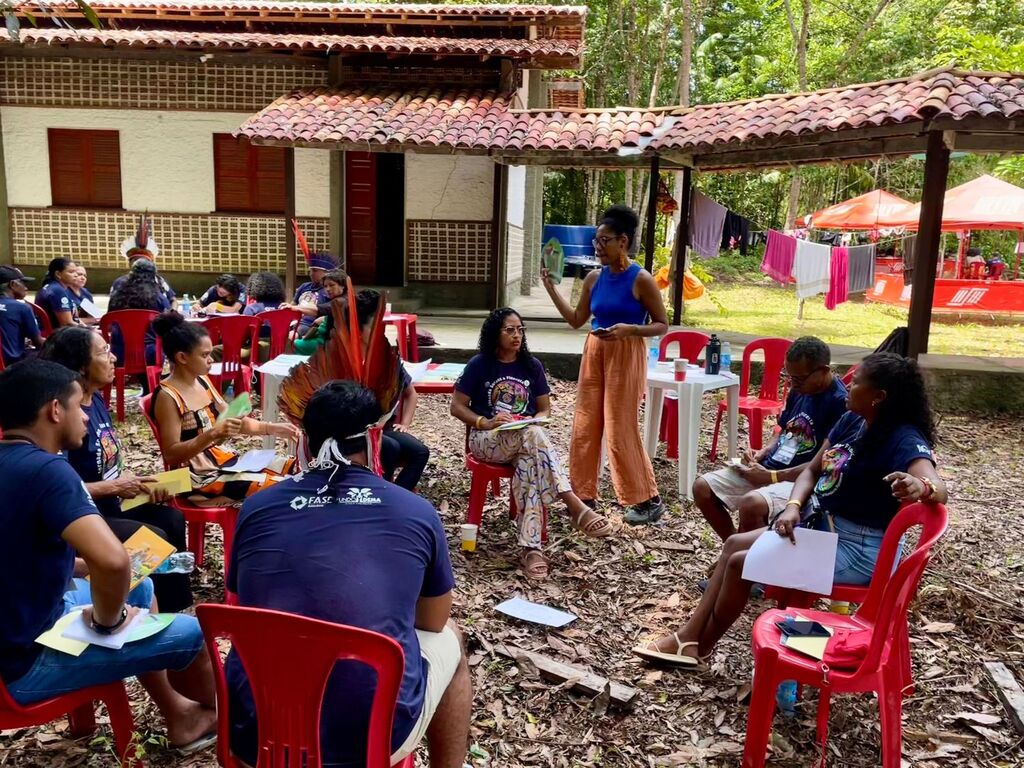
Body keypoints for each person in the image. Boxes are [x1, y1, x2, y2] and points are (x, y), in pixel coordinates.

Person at [633, 353, 947, 667]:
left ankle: (695, 643)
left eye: (858, 381)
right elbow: (811, 470)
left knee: (740, 563)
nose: (848, 385)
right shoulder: (853, 420)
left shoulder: (903, 438)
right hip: (823, 530)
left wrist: (921, 487)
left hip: (861, 551)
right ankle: (690, 641)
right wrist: (792, 507)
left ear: (879, 397)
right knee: (733, 545)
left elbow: (936, 485)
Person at [228, 379, 471, 767]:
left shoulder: (257, 507)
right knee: (452, 638)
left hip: (255, 728)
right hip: (372, 734)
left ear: (305, 441)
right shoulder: (416, 512)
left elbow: (243, 601)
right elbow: (433, 620)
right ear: (375, 440)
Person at [0, 359, 217, 752]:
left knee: (141, 585)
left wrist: (90, 577)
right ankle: (235, 718)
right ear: (54, 410)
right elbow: (113, 561)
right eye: (77, 405)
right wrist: (107, 622)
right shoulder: (50, 471)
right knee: (194, 633)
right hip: (22, 665)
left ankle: (179, 714)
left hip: (18, 625)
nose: (85, 415)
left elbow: (20, 551)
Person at [452, 308, 613, 580]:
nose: (517, 335)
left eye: (520, 330)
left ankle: (531, 549)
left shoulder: (531, 366)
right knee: (533, 438)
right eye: (510, 330)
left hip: (524, 440)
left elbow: (544, 410)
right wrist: (484, 421)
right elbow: (457, 407)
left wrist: (532, 420)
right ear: (495, 333)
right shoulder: (480, 364)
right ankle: (572, 503)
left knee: (530, 462)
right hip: (487, 439)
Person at [42, 327, 192, 612]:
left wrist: (137, 486)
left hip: (112, 502)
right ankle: (136, 609)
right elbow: (55, 490)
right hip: (83, 515)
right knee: (150, 536)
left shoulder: (95, 399)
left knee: (171, 518)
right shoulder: (63, 417)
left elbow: (108, 467)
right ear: (79, 365)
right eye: (103, 352)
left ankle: (174, 611)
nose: (113, 358)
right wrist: (114, 487)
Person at [542, 204, 667, 525]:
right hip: (595, 349)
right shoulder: (594, 278)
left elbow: (662, 324)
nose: (597, 248)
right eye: (595, 242)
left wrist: (631, 329)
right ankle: (583, 495)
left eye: (603, 241)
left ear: (622, 242)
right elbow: (576, 320)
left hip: (626, 350)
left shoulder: (641, 279)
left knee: (619, 425)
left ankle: (646, 499)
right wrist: (551, 289)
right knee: (585, 423)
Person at [693, 337, 848, 542]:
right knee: (702, 487)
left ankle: (741, 560)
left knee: (752, 504)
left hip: (798, 480)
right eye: (789, 376)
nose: (793, 383)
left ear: (823, 371)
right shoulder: (799, 389)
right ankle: (732, 550)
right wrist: (765, 450)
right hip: (770, 467)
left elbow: (821, 466)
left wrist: (771, 477)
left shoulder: (840, 404)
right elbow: (783, 428)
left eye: (799, 379)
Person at [150, 312, 299, 505]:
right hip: (195, 477)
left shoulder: (202, 381)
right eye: (204, 355)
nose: (211, 359)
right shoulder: (168, 396)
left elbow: (232, 420)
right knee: (280, 486)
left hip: (222, 461)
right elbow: (171, 455)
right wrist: (212, 434)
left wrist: (272, 428)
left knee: (294, 468)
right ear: (182, 357)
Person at [348, 289, 431, 491]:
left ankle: (397, 496)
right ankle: (380, 495)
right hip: (352, 432)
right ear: (358, 331)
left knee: (420, 452)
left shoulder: (388, 359)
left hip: (384, 429)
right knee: (390, 448)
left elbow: (410, 393)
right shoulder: (346, 360)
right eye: (374, 328)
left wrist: (405, 423)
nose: (381, 333)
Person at [108, 258, 172, 366]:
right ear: (153, 276)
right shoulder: (158, 298)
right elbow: (168, 324)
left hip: (119, 353)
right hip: (150, 354)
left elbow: (109, 324)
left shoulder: (116, 296)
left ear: (131, 274)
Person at [110, 213, 176, 309]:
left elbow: (173, 300)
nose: (140, 263)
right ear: (130, 264)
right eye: (136, 260)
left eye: (143, 261)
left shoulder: (159, 282)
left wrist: (173, 311)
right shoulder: (120, 283)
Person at [285, 220, 339, 330]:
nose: (311, 274)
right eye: (310, 271)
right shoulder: (304, 287)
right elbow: (293, 304)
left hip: (314, 327)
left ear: (326, 273)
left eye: (315, 271)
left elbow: (332, 313)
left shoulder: (330, 290)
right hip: (296, 322)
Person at [293, 268, 349, 355]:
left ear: (342, 286)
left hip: (327, 342)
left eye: (332, 285)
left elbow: (318, 309)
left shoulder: (341, 301)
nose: (328, 289)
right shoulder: (341, 299)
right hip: (322, 337)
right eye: (325, 286)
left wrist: (295, 308)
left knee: (291, 344)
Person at [0, 265, 44, 366]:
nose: (26, 287)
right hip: (11, 365)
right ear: (12, 284)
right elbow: (38, 343)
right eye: (23, 283)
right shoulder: (21, 307)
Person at [36, 257, 81, 328]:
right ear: (58, 274)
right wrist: (89, 330)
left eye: (76, 272)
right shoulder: (57, 291)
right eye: (71, 272)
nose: (76, 275)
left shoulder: (53, 287)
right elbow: (67, 323)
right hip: (57, 335)